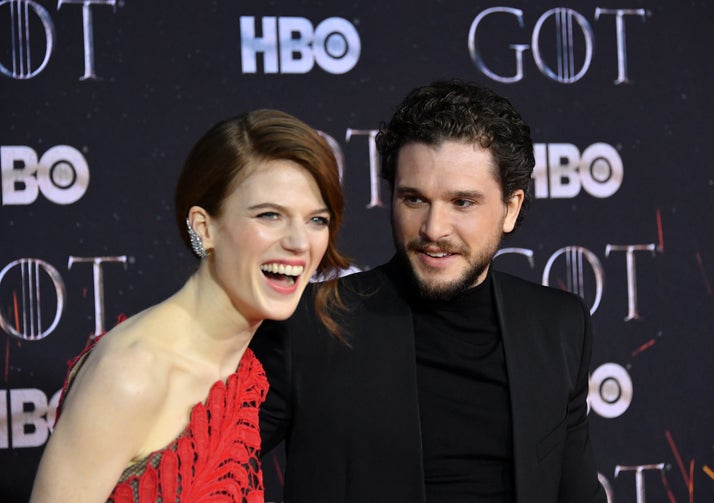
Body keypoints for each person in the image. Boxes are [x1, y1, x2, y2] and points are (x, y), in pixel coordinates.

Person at [251, 80, 607, 503]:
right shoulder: (314, 324)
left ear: (510, 208)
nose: (433, 230)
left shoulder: (558, 325)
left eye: (462, 202)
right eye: (414, 200)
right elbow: (202, 469)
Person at [29, 109, 348, 503]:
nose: (300, 243)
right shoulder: (132, 375)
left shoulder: (245, 367)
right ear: (204, 228)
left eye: (317, 219)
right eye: (270, 215)